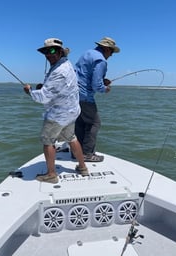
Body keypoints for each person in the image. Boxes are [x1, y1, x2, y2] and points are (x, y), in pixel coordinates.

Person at [24, 38, 88, 184]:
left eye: (52, 51)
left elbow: (43, 98)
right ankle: (83, 167)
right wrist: (44, 86)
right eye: (46, 52)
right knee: (71, 138)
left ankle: (51, 174)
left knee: (48, 141)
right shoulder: (66, 64)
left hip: (58, 114)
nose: (49, 54)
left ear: (60, 51)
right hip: (71, 111)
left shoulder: (58, 71)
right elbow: (58, 88)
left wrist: (29, 91)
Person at [75, 37, 120, 162]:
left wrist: (102, 81)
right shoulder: (101, 60)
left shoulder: (87, 54)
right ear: (106, 48)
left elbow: (85, 74)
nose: (111, 55)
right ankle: (87, 154)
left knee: (80, 123)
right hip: (85, 96)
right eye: (111, 52)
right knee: (95, 123)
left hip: (74, 95)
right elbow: (96, 85)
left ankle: (76, 152)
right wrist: (105, 89)